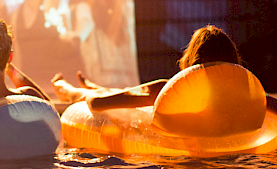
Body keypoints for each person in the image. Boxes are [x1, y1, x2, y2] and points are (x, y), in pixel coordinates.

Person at [52, 25, 277, 113]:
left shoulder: (167, 91)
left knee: (96, 95)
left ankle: (70, 90)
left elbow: (97, 104)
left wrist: (94, 95)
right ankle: (82, 88)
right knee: (107, 92)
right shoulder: (250, 95)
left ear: (192, 61)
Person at [9, 0, 82, 91]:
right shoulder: (15, 15)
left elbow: (65, 36)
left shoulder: (57, 0)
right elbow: (18, 60)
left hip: (59, 90)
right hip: (33, 92)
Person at [67, 0, 139, 88]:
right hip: (99, 83)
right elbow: (80, 35)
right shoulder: (84, 9)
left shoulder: (125, 7)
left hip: (126, 82)